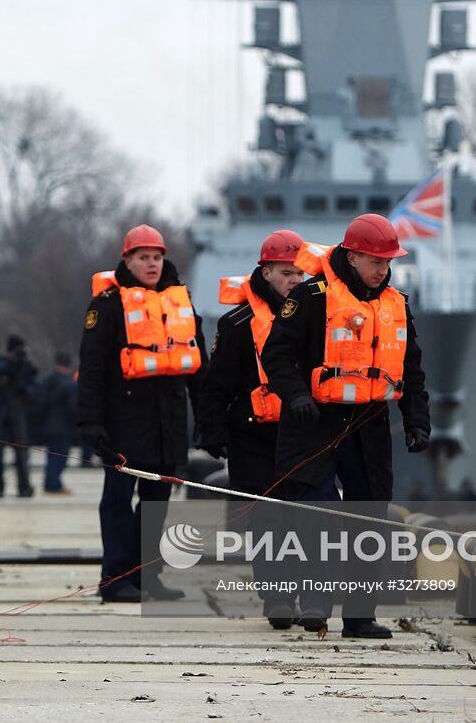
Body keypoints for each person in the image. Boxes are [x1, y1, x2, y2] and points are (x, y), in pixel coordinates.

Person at [260, 214, 430, 639]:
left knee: (369, 518)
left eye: (388, 262)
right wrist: (296, 396)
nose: (383, 270)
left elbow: (412, 371)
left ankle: (359, 616)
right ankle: (315, 604)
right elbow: (276, 354)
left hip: (368, 424)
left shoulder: (396, 305)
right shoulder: (310, 297)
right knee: (319, 515)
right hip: (314, 422)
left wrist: (417, 421)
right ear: (352, 256)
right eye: (375, 261)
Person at [77, 224, 207, 603]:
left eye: (157, 257)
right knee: (117, 500)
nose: (151, 264)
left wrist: (206, 418)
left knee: (157, 503)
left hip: (167, 422)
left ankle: (147, 575)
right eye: (143, 257)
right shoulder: (107, 305)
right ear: (128, 260)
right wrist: (90, 424)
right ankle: (115, 579)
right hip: (122, 423)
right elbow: (93, 370)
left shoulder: (180, 304)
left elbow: (199, 369)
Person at [195, 229, 306, 629]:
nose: (294, 280)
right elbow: (216, 385)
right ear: (266, 271)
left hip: (302, 434)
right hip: (252, 436)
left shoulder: (317, 317)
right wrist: (213, 431)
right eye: (285, 273)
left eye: (299, 274)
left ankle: (305, 594)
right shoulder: (238, 324)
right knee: (265, 521)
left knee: (304, 519)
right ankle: (277, 598)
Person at [0, 335, 37, 498]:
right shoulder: (0, 363)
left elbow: (33, 388)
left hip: (17, 411)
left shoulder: (25, 366)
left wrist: (24, 387)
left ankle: (24, 486)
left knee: (21, 453)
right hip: (1, 411)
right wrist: (8, 365)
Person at [36, 352, 78, 495]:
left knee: (52, 456)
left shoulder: (47, 380)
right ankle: (53, 484)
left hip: (48, 425)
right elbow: (73, 408)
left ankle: (51, 482)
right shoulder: (69, 384)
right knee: (60, 457)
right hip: (63, 427)